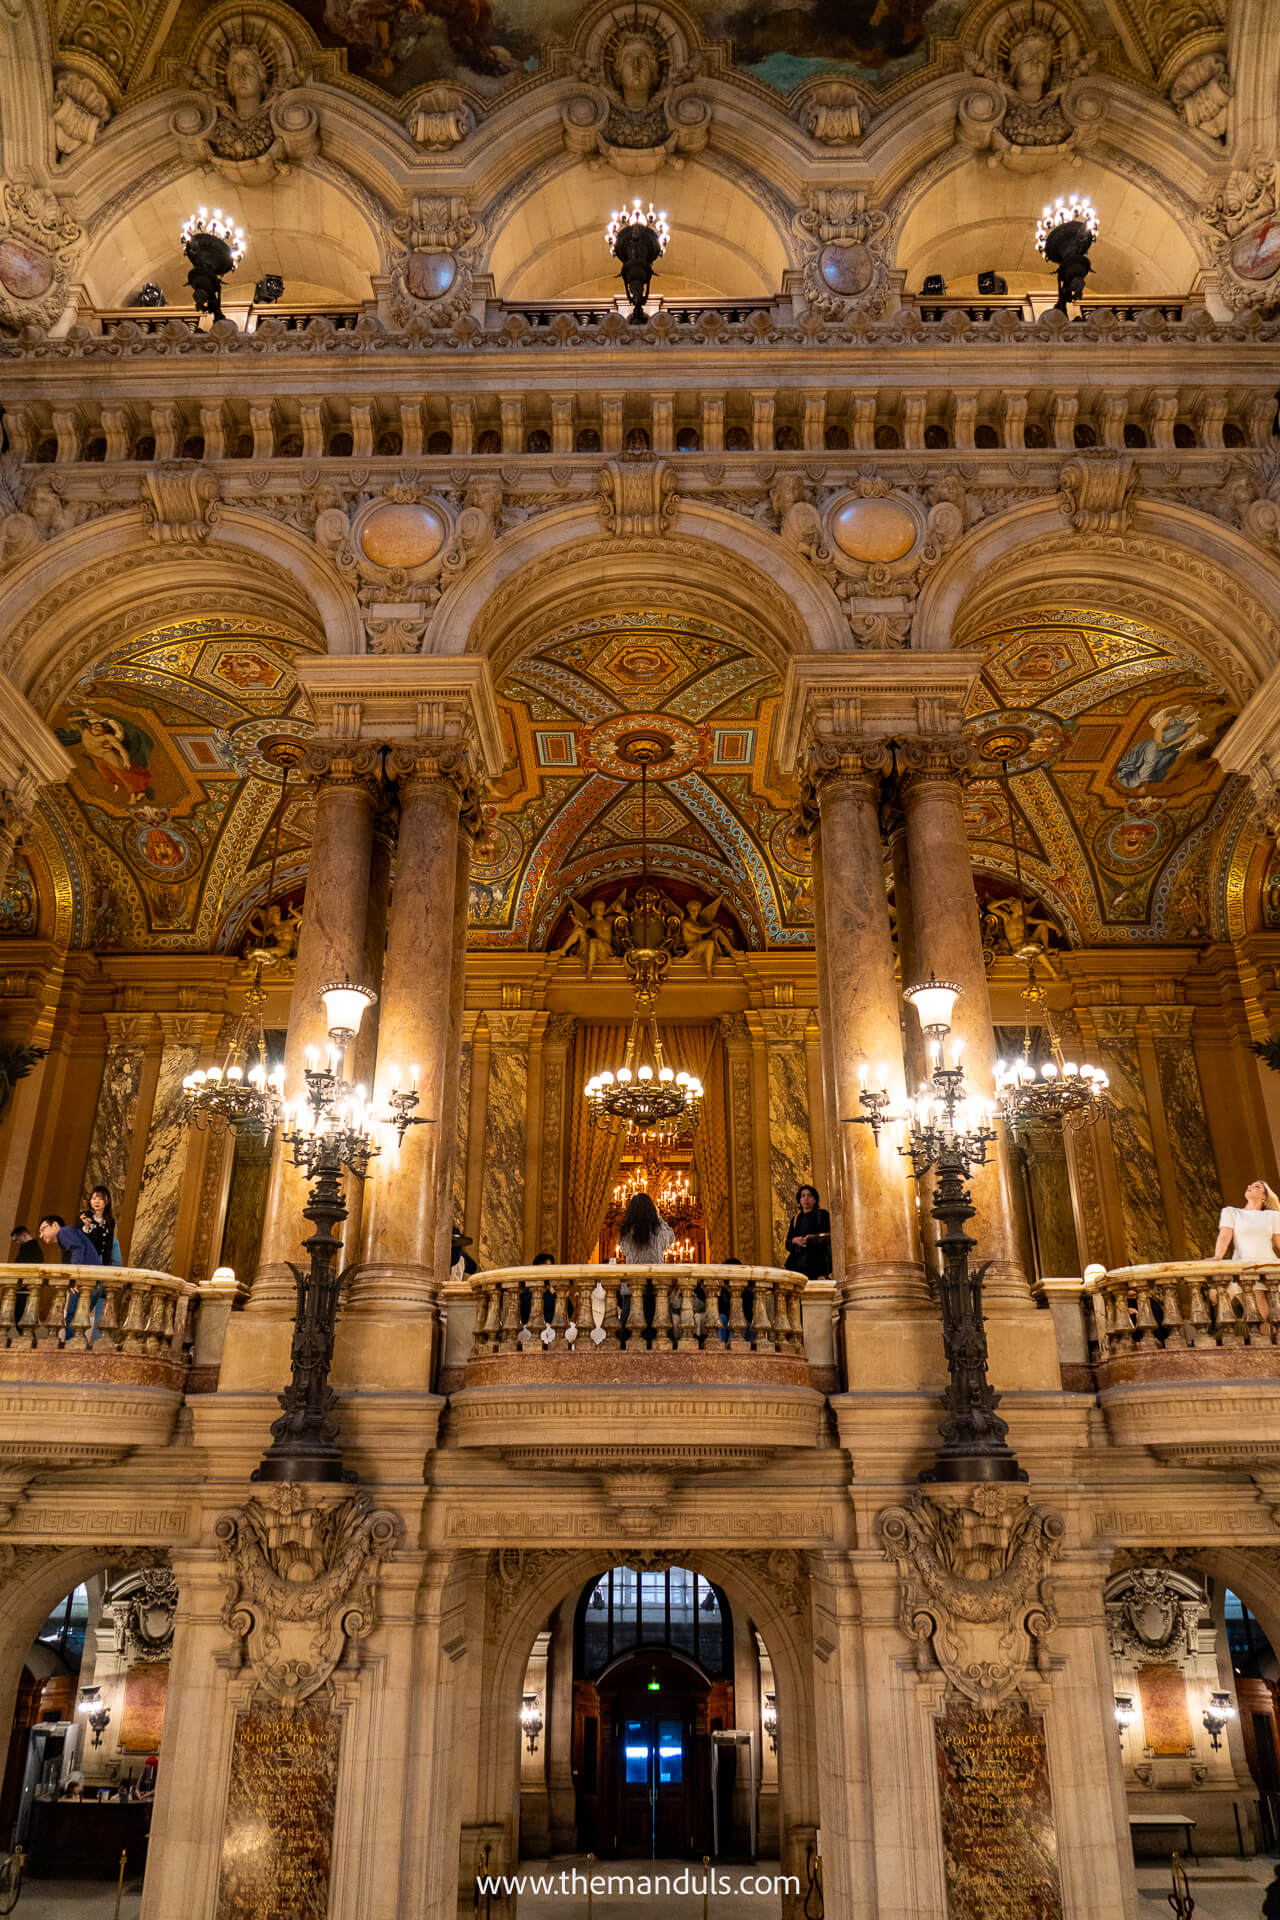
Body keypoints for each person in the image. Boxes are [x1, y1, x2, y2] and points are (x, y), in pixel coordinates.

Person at [1211, 1180, 1280, 1321]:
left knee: (1264, 1309)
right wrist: (1218, 1256)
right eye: (1249, 1185)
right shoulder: (1232, 1212)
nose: (1250, 1187)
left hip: (1267, 1265)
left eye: (1257, 1186)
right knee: (1253, 1310)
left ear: (1264, 1197)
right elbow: (1224, 1235)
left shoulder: (1273, 1216)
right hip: (1243, 1265)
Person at [38, 1215, 103, 1346]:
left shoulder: (64, 1231)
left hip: (84, 1280)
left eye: (43, 1229)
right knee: (79, 1319)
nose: (41, 1235)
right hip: (94, 1281)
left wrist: (74, 1277)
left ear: (55, 1225)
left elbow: (77, 1249)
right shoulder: (68, 1234)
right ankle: (76, 1347)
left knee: (72, 1318)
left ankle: (70, 1349)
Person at [785, 1185, 833, 1279]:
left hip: (818, 1264)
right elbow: (787, 1243)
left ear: (814, 1200)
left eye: (809, 1195)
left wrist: (813, 1238)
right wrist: (795, 1240)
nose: (806, 1198)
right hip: (798, 1265)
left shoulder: (823, 1215)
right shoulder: (795, 1219)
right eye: (803, 1196)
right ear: (800, 1201)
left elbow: (831, 1236)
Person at [616, 1192, 674, 1265]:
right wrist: (659, 1217)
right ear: (652, 1209)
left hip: (633, 1272)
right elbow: (670, 1240)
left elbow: (624, 1250)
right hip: (655, 1272)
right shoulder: (659, 1228)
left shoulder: (627, 1230)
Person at [81, 1186, 124, 1266]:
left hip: (102, 1262)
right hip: (84, 1261)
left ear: (107, 1201)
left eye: (100, 1199)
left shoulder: (110, 1221)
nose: (97, 1202)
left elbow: (108, 1245)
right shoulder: (83, 1217)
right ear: (90, 1201)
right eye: (94, 1199)